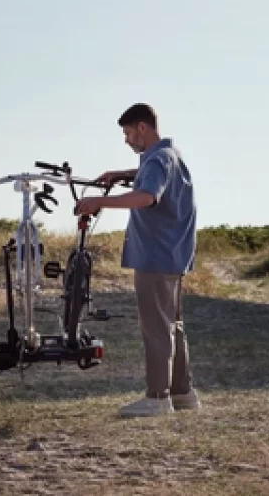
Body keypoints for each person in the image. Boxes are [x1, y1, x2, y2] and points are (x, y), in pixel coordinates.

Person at [74, 102, 199, 418]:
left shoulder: (156, 160)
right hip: (174, 255)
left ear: (143, 128)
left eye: (129, 133)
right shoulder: (170, 156)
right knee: (174, 325)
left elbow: (147, 197)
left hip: (155, 256)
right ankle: (182, 392)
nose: (127, 140)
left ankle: (157, 397)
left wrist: (97, 202)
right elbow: (152, 178)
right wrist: (122, 174)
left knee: (156, 327)